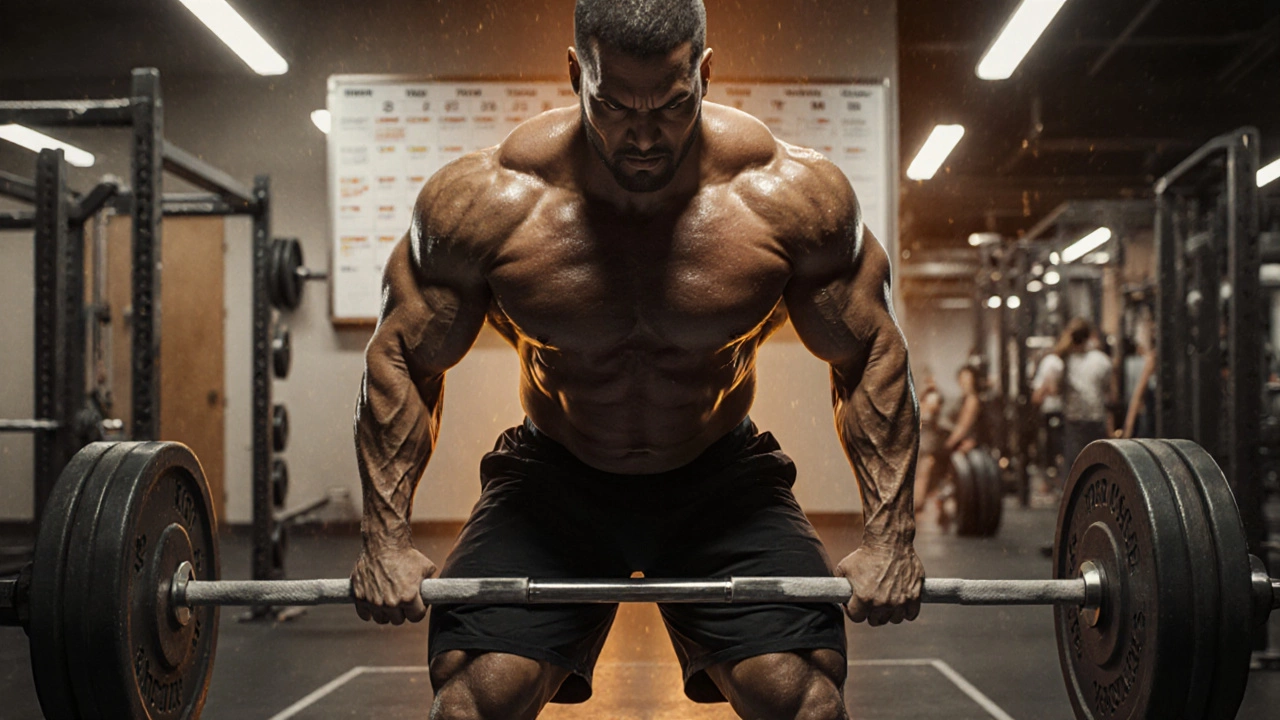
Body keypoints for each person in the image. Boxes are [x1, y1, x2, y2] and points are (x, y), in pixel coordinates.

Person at [348, 1, 923, 718]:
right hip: (555, 481)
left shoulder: (789, 198)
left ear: (705, 74)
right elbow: (403, 356)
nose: (644, 134)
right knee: (472, 700)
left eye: (673, 104)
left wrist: (890, 537)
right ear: (574, 73)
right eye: (614, 104)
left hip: (719, 482)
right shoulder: (489, 204)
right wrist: (386, 539)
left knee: (805, 698)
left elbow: (870, 352)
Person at [1032, 318, 1113, 483]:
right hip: (1091, 419)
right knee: (1097, 467)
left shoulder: (1061, 361)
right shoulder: (1098, 360)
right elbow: (1111, 394)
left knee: (1076, 470)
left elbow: (1048, 392)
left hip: (1077, 421)